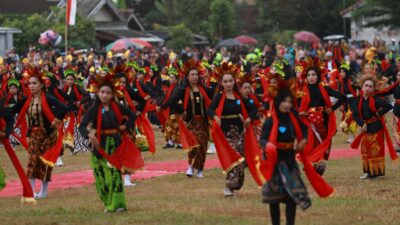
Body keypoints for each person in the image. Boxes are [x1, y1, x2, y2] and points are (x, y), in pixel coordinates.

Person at [79, 72, 144, 212]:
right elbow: (82, 126)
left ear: (112, 94)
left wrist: (124, 126)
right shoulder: (94, 108)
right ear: (97, 93)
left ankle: (119, 204)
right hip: (99, 147)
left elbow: (132, 115)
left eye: (108, 92)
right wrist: (90, 135)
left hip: (115, 145)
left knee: (115, 175)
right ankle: (108, 203)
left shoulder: (117, 107)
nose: (105, 95)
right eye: (102, 92)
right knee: (102, 178)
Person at [12, 68, 69, 199]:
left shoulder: (48, 99)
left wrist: (57, 119)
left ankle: (43, 192)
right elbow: (12, 110)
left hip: (48, 136)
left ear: (41, 85)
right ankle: (31, 191)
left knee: (45, 163)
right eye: (29, 83)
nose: (31, 86)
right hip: (33, 135)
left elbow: (64, 108)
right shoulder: (26, 100)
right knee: (32, 161)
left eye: (34, 83)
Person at [208, 62, 257, 196]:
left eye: (230, 81)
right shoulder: (219, 96)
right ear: (222, 83)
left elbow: (254, 109)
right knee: (234, 159)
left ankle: (234, 185)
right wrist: (215, 117)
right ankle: (228, 186)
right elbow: (210, 109)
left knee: (241, 163)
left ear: (234, 82)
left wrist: (248, 119)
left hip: (240, 134)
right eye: (225, 81)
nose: (228, 84)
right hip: (226, 134)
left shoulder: (239, 96)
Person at [163, 59, 212, 178]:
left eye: (196, 75)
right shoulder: (183, 89)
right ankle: (190, 166)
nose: (194, 77)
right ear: (187, 77)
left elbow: (213, 99)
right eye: (192, 75)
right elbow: (173, 100)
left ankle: (200, 170)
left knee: (203, 145)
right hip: (191, 121)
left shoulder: (203, 89)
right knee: (194, 144)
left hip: (203, 122)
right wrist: (182, 111)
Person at [298, 67, 345, 175]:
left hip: (324, 121)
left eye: (313, 75)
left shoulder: (325, 89)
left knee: (322, 144)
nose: (311, 77)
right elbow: (294, 104)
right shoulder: (302, 91)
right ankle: (312, 165)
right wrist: (300, 113)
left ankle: (317, 167)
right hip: (309, 121)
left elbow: (342, 97)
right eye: (309, 75)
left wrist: (332, 109)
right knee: (311, 144)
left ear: (318, 76)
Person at [350, 74, 396, 179]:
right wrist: (362, 124)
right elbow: (355, 115)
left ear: (373, 88)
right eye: (366, 85)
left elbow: (388, 106)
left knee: (375, 151)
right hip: (365, 128)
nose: (368, 88)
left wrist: (379, 114)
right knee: (365, 150)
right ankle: (368, 172)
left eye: (370, 86)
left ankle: (376, 173)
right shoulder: (357, 100)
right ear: (362, 87)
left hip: (376, 127)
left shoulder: (376, 99)